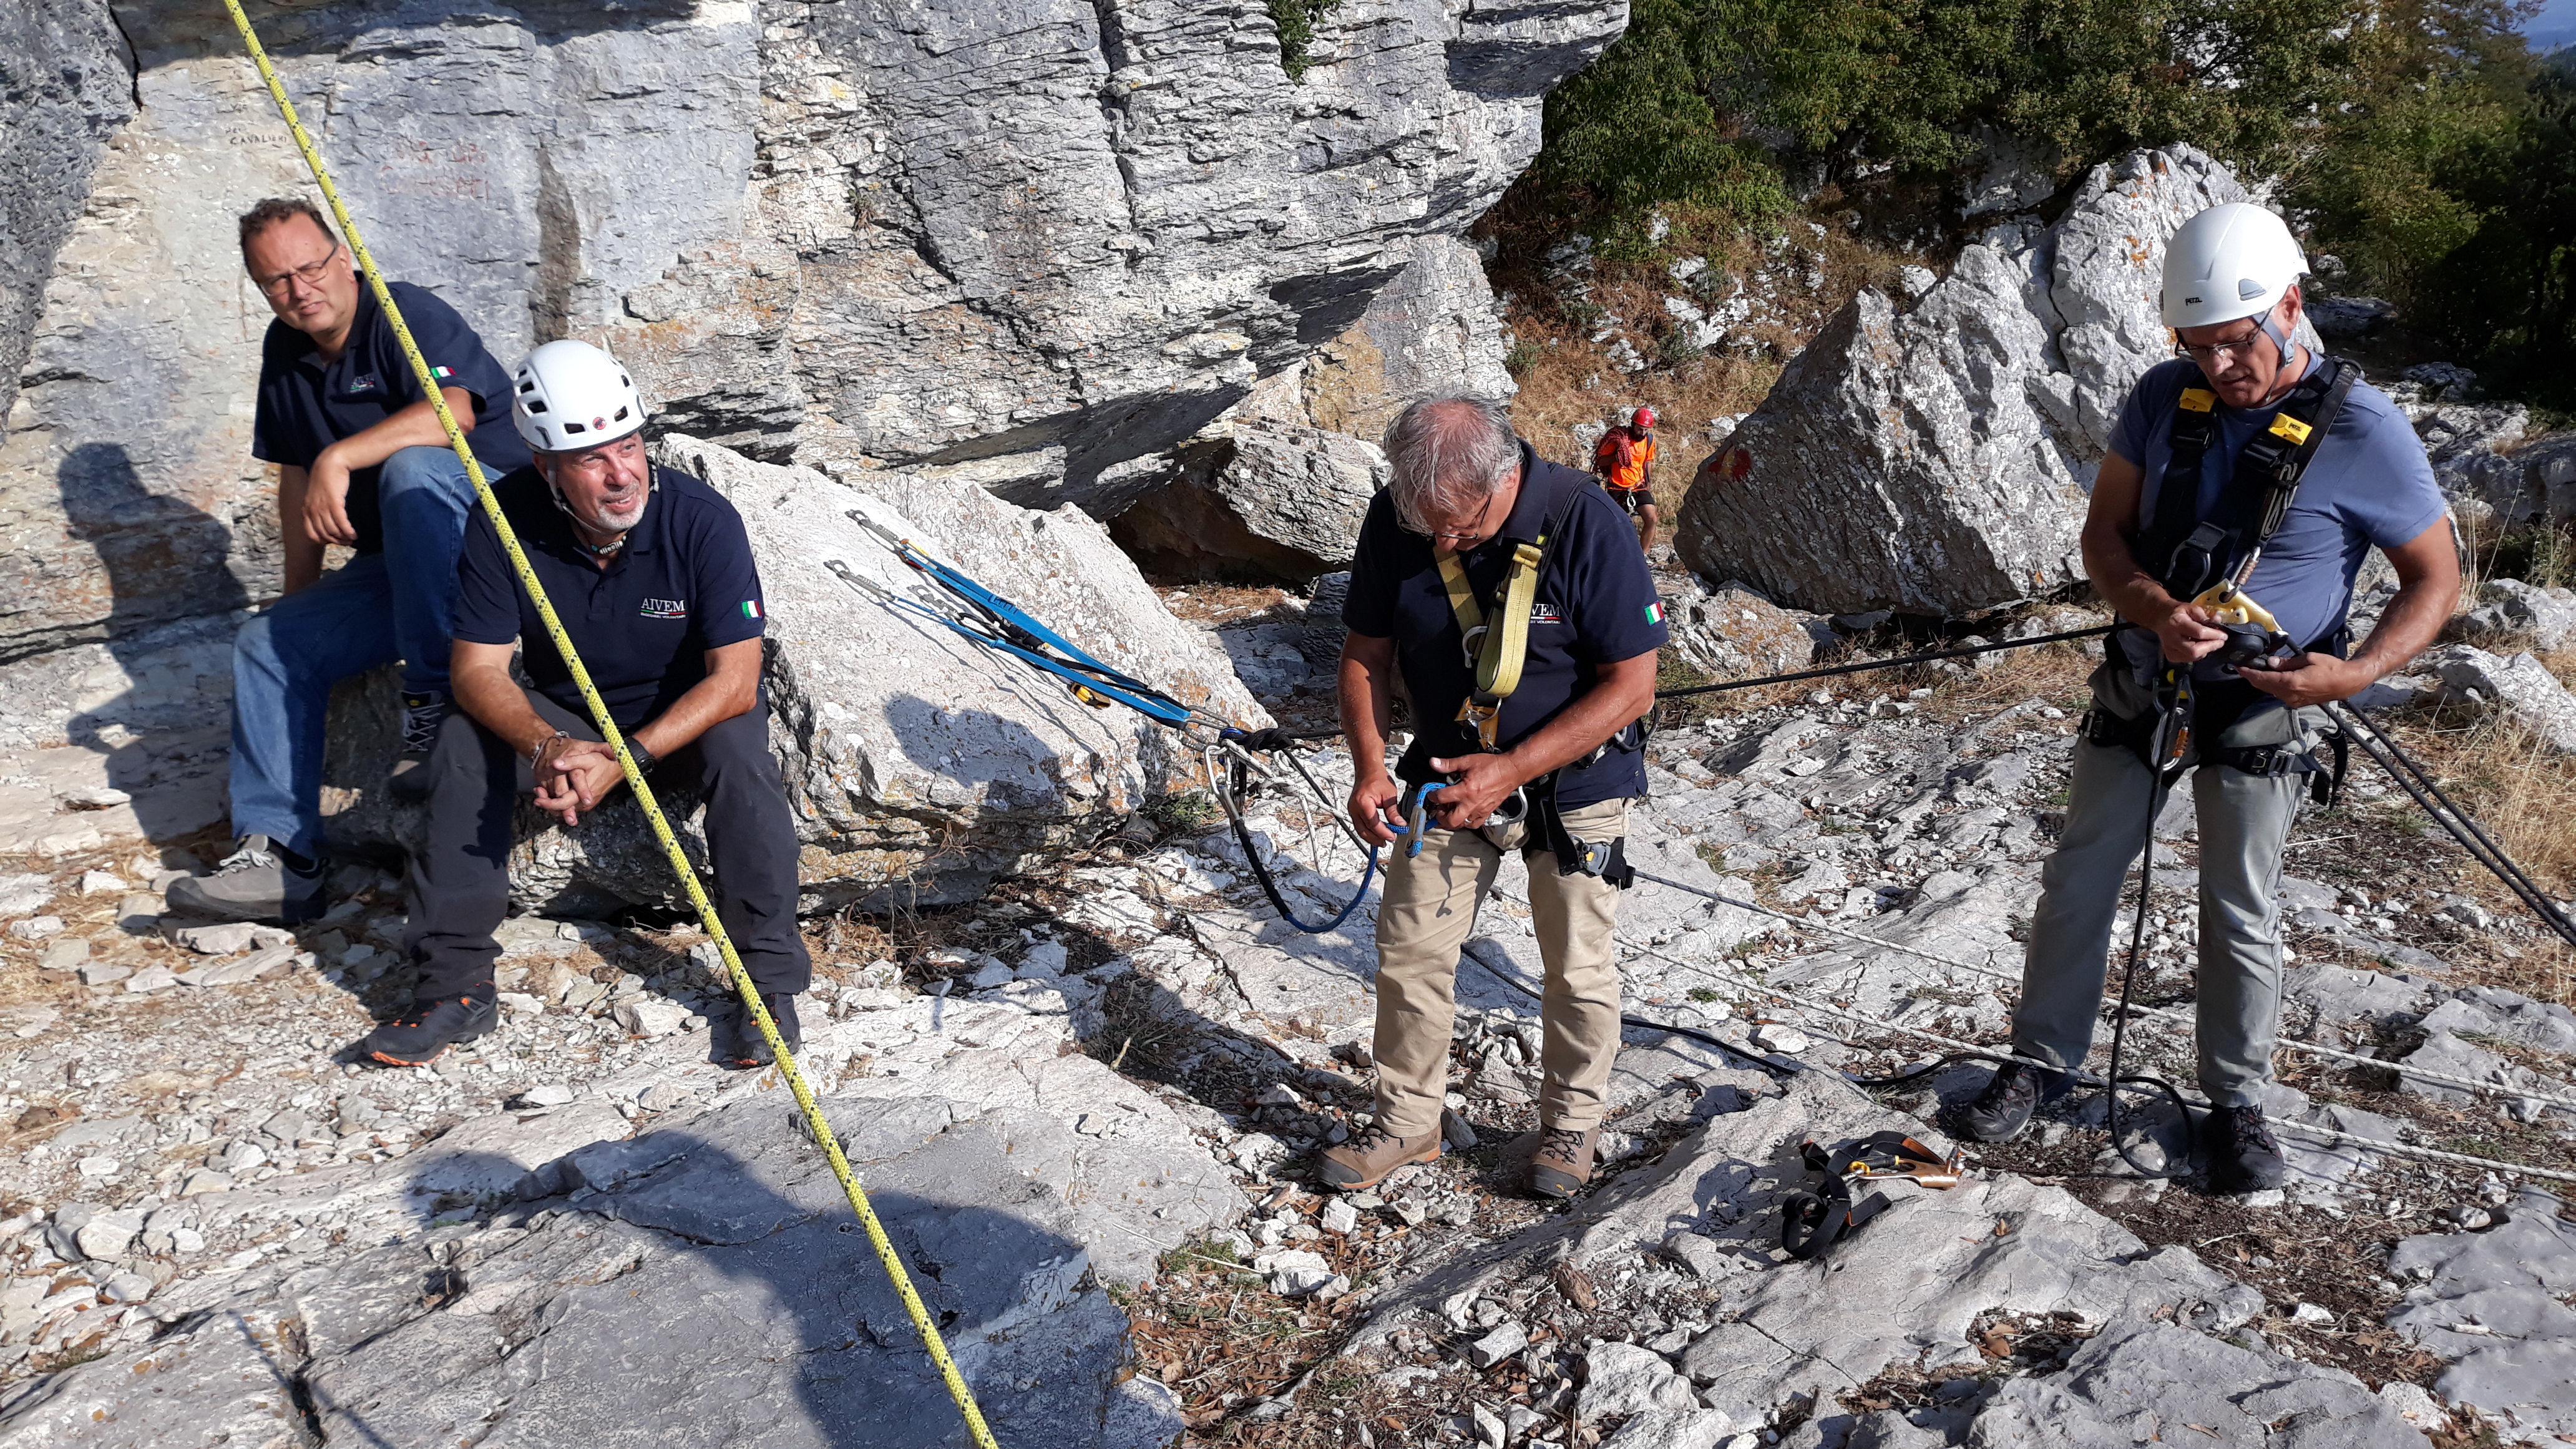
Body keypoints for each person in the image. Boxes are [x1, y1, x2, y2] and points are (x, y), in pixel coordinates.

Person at [1955, 203, 2457, 1192]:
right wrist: (2153, 607)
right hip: (2150, 675)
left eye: (2239, 341)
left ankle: (2236, 1101)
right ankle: (2041, 1063)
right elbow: (2105, 539)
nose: (2224, 365)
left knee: (2241, 905)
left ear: (2292, 306)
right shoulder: (2161, 398)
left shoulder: (2363, 428)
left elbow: (2434, 579)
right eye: (2202, 346)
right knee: (2080, 877)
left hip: (2267, 697)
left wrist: (2351, 675)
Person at [359, 339, 810, 1067]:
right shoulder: (503, 521)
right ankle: (454, 989)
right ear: (547, 468)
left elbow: (734, 680)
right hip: (567, 719)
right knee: (459, 743)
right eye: (592, 459)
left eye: (629, 446)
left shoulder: (701, 521)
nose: (621, 473)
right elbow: (476, 670)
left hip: (681, 715)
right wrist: (547, 746)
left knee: (739, 755)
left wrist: (626, 760)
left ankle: (767, 986)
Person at [1319, 396, 1667, 1198]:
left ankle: (1571, 1130)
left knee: (1577, 966)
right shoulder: (1400, 517)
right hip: (1443, 773)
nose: (1440, 541)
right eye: (1426, 525)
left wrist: (1511, 772)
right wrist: (1371, 768)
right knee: (1410, 954)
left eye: (1459, 526)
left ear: (1506, 476)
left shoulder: (1591, 524)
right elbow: (1367, 652)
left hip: (1574, 783)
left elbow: (1633, 687)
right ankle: (1408, 1125)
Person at [165, 198, 530, 925]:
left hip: (505, 543)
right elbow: (296, 473)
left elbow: (453, 413)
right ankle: (278, 857)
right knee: (270, 643)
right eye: (277, 281)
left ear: (344, 259)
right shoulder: (285, 351)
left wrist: (344, 454)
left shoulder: (405, 312)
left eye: (311, 267)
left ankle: (432, 705)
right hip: (409, 569)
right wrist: (298, 598)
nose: (301, 291)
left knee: (414, 472)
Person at [1591, 406, 1659, 554]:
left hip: (1638, 486)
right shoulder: (1619, 440)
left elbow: (1648, 462)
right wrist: (1617, 457)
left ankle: (1642, 555)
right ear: (1633, 424)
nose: (1643, 433)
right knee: (1618, 524)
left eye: (1646, 430)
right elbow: (1601, 462)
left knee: (1652, 519)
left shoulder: (1649, 440)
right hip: (1617, 487)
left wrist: (1647, 482)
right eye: (1641, 429)